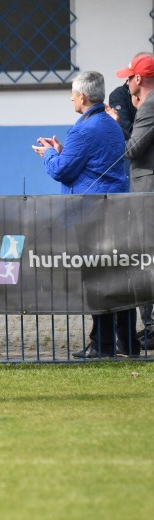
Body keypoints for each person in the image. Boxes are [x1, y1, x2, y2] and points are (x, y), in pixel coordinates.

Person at [33, 70, 141, 358]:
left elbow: (62, 171)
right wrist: (62, 150)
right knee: (120, 277)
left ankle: (101, 345)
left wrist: (50, 155)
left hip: (91, 214)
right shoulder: (109, 123)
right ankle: (127, 343)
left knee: (96, 279)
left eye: (72, 92)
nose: (70, 97)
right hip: (116, 209)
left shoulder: (84, 128)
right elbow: (90, 162)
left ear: (81, 96)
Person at [116, 54, 154, 350]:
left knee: (146, 259)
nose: (126, 81)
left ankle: (151, 328)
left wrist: (118, 122)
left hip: (147, 192)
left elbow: (133, 149)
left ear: (139, 80)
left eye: (129, 76)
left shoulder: (150, 106)